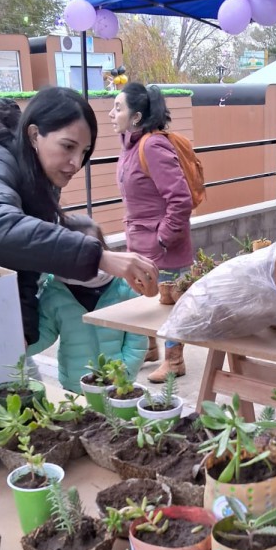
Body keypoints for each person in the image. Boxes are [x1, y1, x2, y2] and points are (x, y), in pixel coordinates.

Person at [0, 86, 158, 346]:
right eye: (68, 146)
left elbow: (24, 259)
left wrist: (23, 332)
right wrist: (99, 257)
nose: (75, 162)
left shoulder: (38, 176)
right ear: (34, 135)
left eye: (84, 152)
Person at [109, 81, 193, 382]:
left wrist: (162, 239)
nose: (111, 113)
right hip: (141, 243)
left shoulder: (152, 145)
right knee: (146, 302)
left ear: (136, 116)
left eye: (118, 108)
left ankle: (175, 361)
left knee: (170, 305)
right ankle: (150, 349)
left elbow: (180, 199)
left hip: (163, 249)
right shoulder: (130, 145)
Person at [27, 222, 148, 391]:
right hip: (75, 386)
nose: (83, 259)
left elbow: (137, 337)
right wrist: (18, 346)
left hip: (117, 385)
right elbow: (45, 333)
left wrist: (126, 371)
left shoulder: (123, 286)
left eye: (88, 252)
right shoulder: (55, 291)